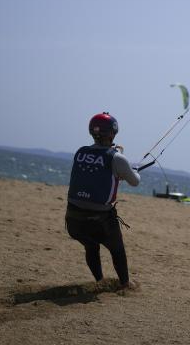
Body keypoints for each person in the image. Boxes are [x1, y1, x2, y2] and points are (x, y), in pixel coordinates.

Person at [65, 112, 140, 289]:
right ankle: (125, 283)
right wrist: (132, 170)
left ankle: (99, 280)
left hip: (73, 220)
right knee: (117, 249)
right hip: (100, 222)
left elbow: (94, 175)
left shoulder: (80, 152)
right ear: (113, 133)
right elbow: (135, 181)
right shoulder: (117, 158)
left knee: (91, 247)